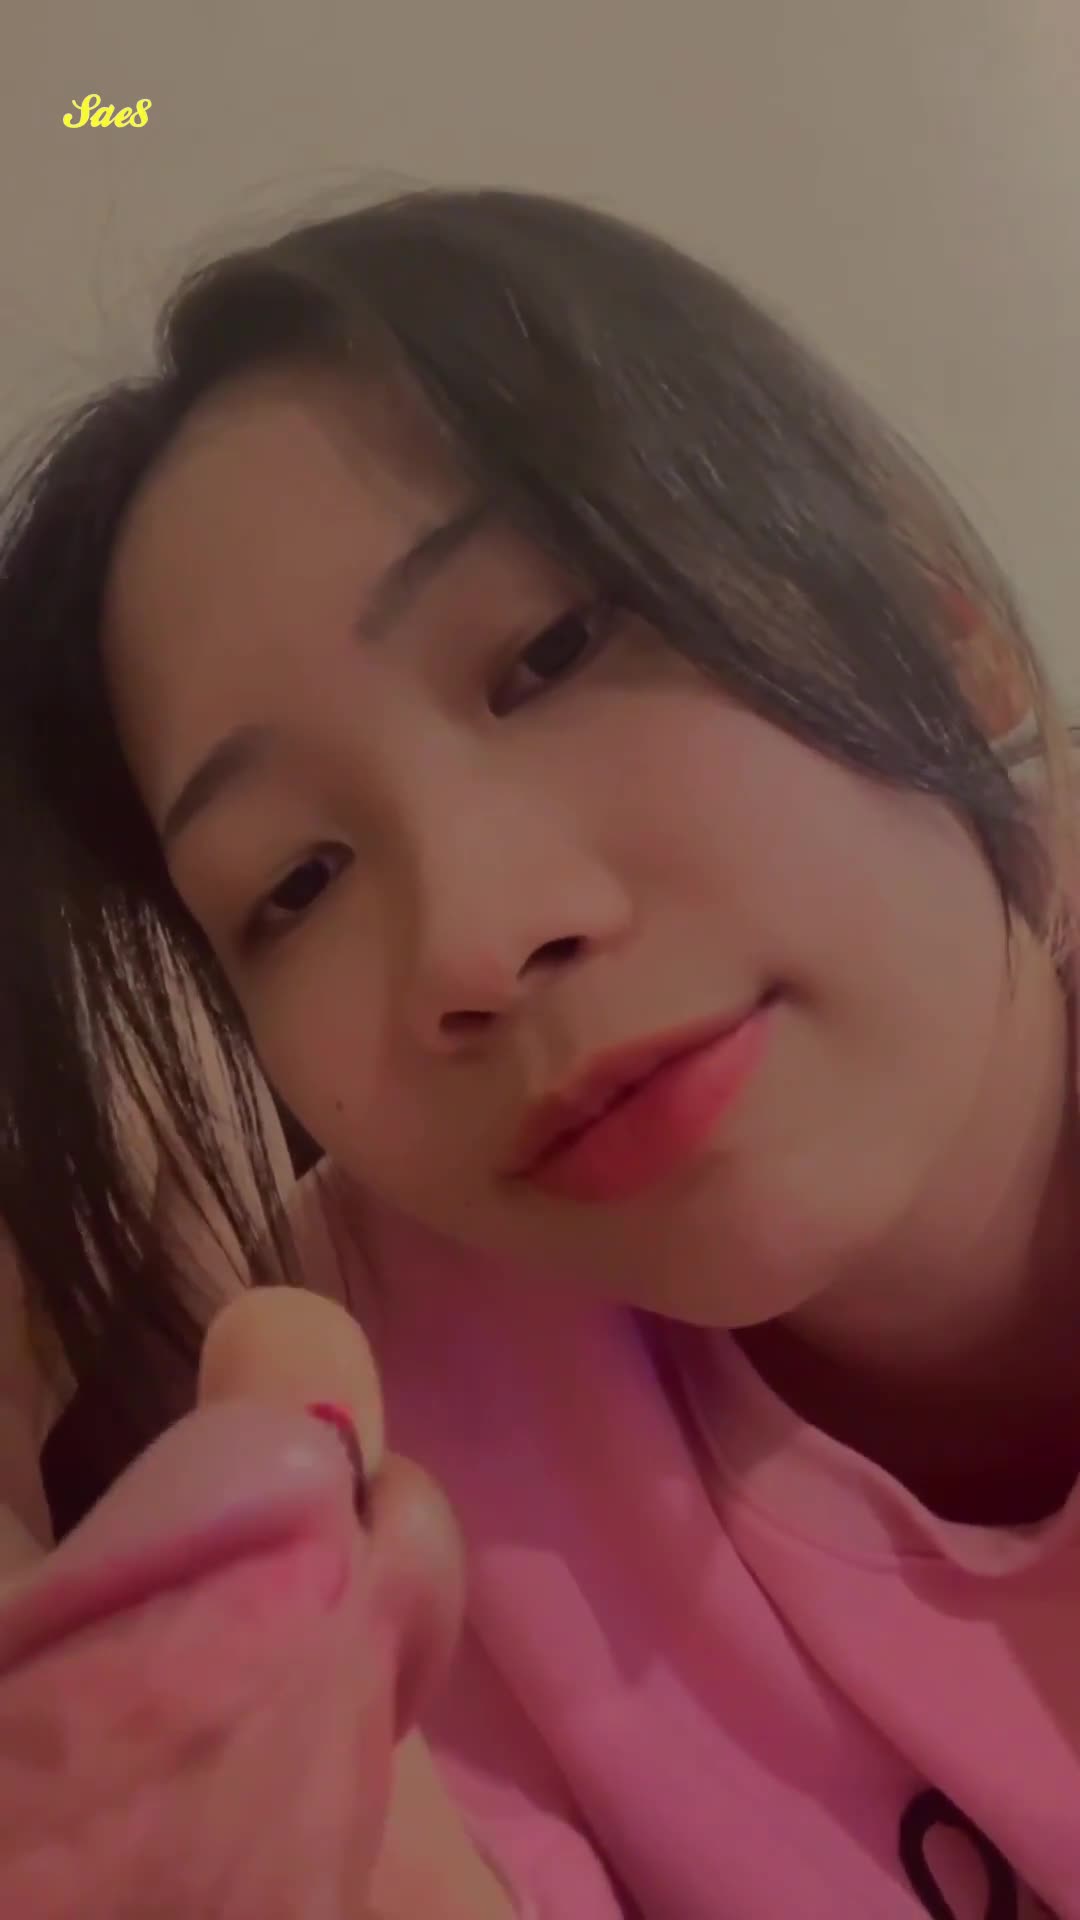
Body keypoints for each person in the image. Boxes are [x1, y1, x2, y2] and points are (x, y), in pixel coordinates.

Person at [3, 184, 1078, 1916]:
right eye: (294, 884)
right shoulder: (403, 1399)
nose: (472, 945)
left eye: (553, 653)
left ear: (952, 632)